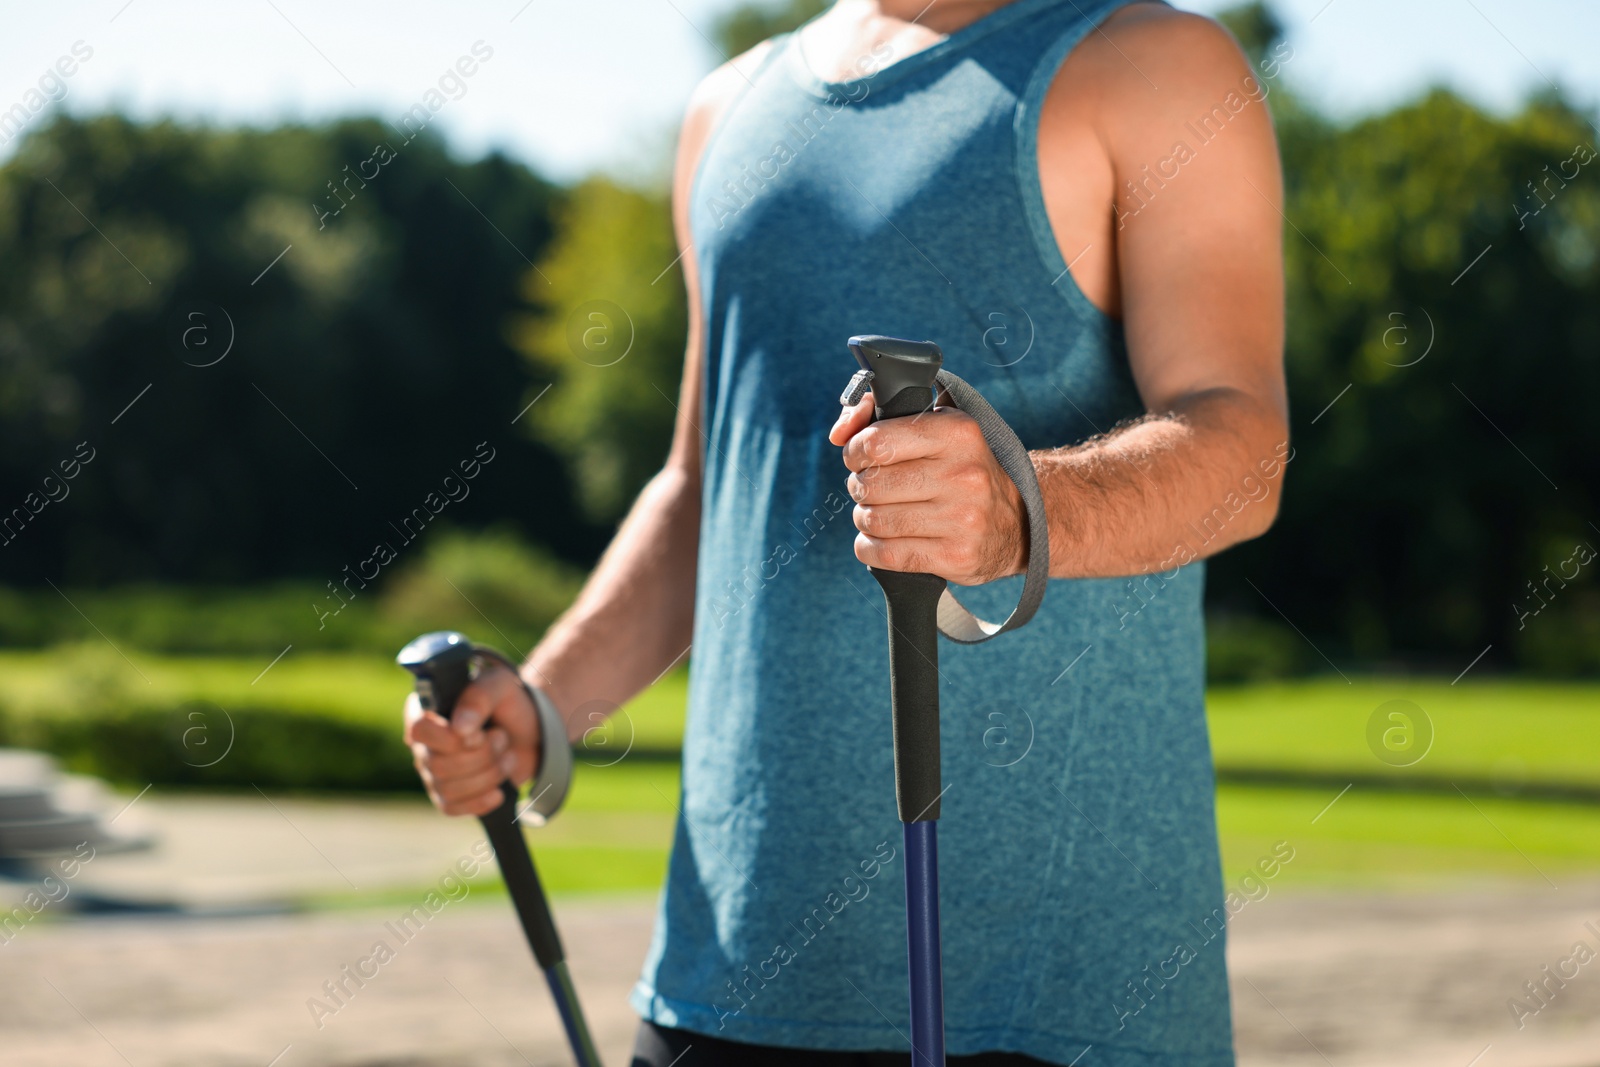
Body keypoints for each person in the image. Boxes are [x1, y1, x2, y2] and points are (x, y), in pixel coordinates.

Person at [404, 0, 1287, 1063]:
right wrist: (542, 703)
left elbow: (1241, 450)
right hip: (723, 976)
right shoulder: (725, 110)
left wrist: (1015, 508)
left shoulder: (1153, 64)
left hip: (1055, 1000)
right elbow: (705, 487)